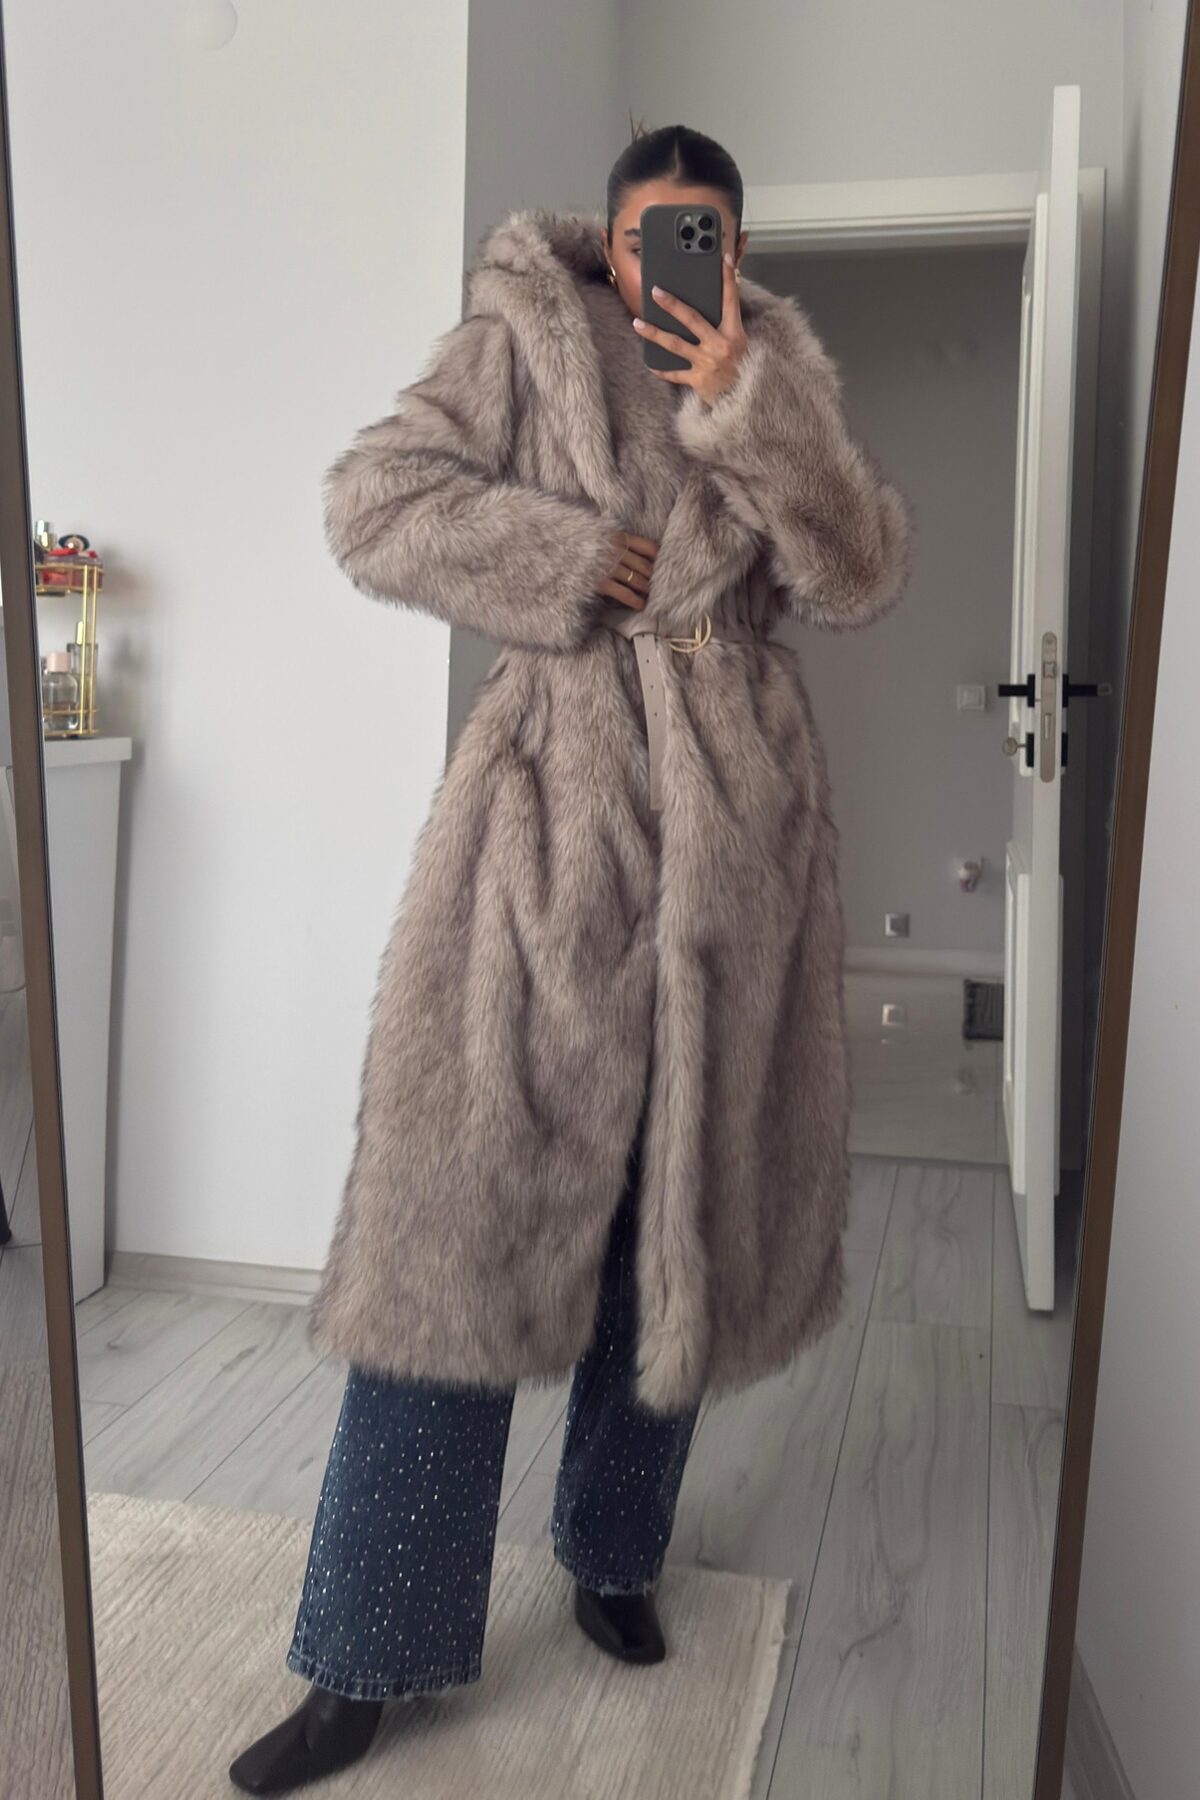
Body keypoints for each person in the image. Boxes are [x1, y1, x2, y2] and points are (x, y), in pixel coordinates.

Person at [229, 121, 913, 1793]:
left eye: (703, 239)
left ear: (735, 249)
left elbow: (857, 575)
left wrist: (750, 401)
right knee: (452, 1232)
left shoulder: (773, 368)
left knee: (680, 1222)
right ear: (607, 239)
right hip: (552, 820)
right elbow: (372, 503)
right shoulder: (519, 338)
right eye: (645, 236)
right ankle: (365, 1655)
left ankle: (613, 1555)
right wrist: (561, 560)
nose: (667, 265)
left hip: (738, 842)